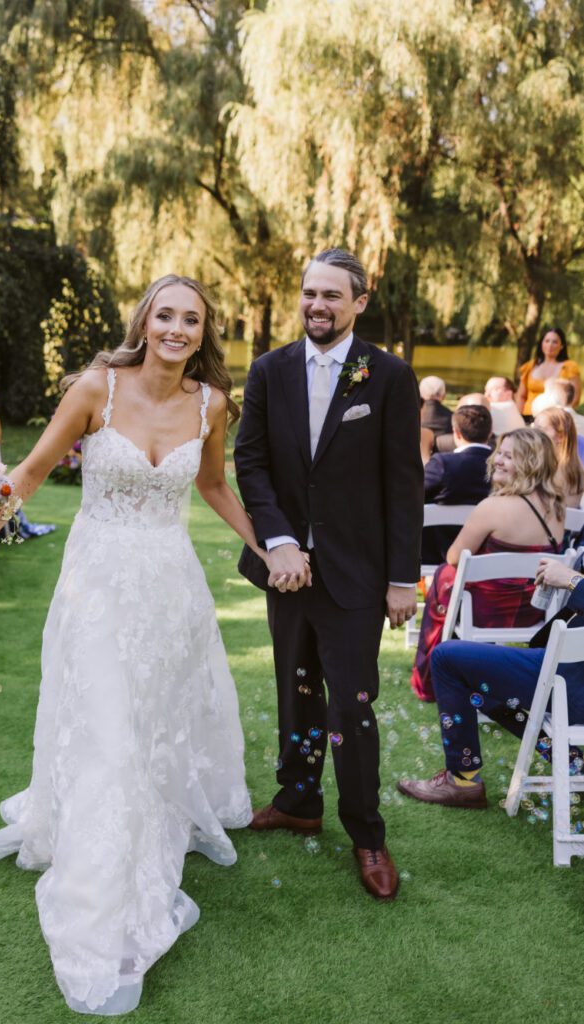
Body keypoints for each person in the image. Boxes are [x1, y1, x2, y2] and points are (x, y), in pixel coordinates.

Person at [0, 275, 258, 1015]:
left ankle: (145, 835)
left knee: (152, 729)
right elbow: (31, 471)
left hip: (170, 591)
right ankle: (105, 905)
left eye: (190, 319)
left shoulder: (211, 403)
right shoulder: (97, 386)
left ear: (203, 332)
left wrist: (271, 546)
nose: (176, 328)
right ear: (144, 319)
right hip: (97, 586)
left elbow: (217, 486)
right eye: (165, 314)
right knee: (111, 738)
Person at [234, 248, 423, 902]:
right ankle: (296, 798)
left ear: (358, 301)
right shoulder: (268, 370)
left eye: (331, 296)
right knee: (295, 688)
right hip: (286, 570)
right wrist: (278, 541)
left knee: (350, 700)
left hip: (356, 573)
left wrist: (403, 578)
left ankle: (366, 832)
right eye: (309, 293)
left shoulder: (388, 376)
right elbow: (250, 466)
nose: (317, 305)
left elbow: (402, 482)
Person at [398, 556, 584, 809]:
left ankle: (462, 781)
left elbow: (453, 555)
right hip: (568, 663)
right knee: (477, 681)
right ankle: (574, 763)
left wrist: (572, 579)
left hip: (572, 678)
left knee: (446, 657)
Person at [410, 428, 565, 700]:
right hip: (532, 610)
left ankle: (430, 680)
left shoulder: (492, 507)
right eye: (499, 454)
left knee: (445, 573)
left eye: (509, 456)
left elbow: (454, 556)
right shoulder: (556, 507)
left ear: (531, 462)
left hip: (487, 610)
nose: (498, 461)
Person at [421, 405, 493, 565]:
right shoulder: (502, 465)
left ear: (457, 433)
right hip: (487, 551)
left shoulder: (443, 463)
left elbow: (413, 495)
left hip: (438, 553)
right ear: (490, 432)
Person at [516, 326, 581, 418]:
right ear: (542, 343)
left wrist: (558, 418)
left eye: (555, 342)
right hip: (528, 417)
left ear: (562, 346)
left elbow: (575, 398)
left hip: (555, 419)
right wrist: (520, 417)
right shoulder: (530, 366)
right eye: (547, 341)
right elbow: (521, 396)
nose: (550, 345)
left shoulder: (569, 367)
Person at [533, 405, 584, 508]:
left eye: (541, 429)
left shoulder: (559, 469)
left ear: (560, 436)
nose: (533, 433)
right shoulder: (574, 465)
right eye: (534, 427)